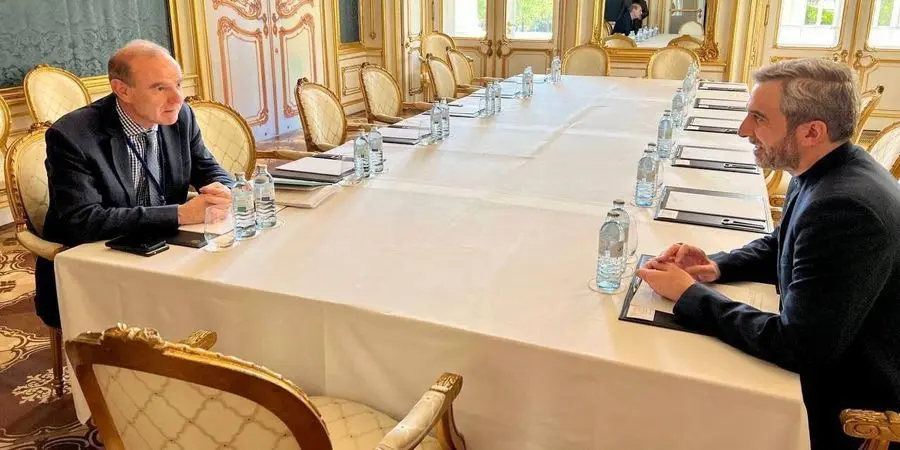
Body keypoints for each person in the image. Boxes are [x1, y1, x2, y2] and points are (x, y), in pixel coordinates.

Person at [637, 58, 900, 449]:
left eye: (759, 118)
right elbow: (781, 244)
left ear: (811, 131)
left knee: (663, 394)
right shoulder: (827, 168)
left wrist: (689, 295)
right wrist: (714, 267)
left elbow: (798, 346)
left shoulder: (846, 209)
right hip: (833, 353)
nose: (744, 130)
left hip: (846, 405)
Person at [36, 40, 233, 329]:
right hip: (100, 265)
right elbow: (81, 220)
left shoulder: (180, 117)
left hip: (165, 252)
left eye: (178, 84)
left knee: (225, 300)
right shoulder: (73, 135)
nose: (177, 98)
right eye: (160, 88)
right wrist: (179, 214)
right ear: (122, 90)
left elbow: (209, 168)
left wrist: (223, 189)